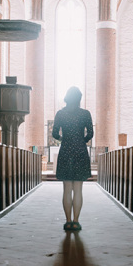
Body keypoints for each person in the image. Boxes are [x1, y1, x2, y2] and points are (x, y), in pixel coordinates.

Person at [51, 86, 93, 231]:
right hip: (80, 151)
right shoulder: (85, 114)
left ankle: (68, 221)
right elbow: (90, 133)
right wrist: (82, 140)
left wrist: (64, 138)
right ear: (79, 98)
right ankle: (76, 221)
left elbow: (55, 134)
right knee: (78, 189)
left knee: (67, 189)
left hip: (66, 151)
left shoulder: (60, 114)